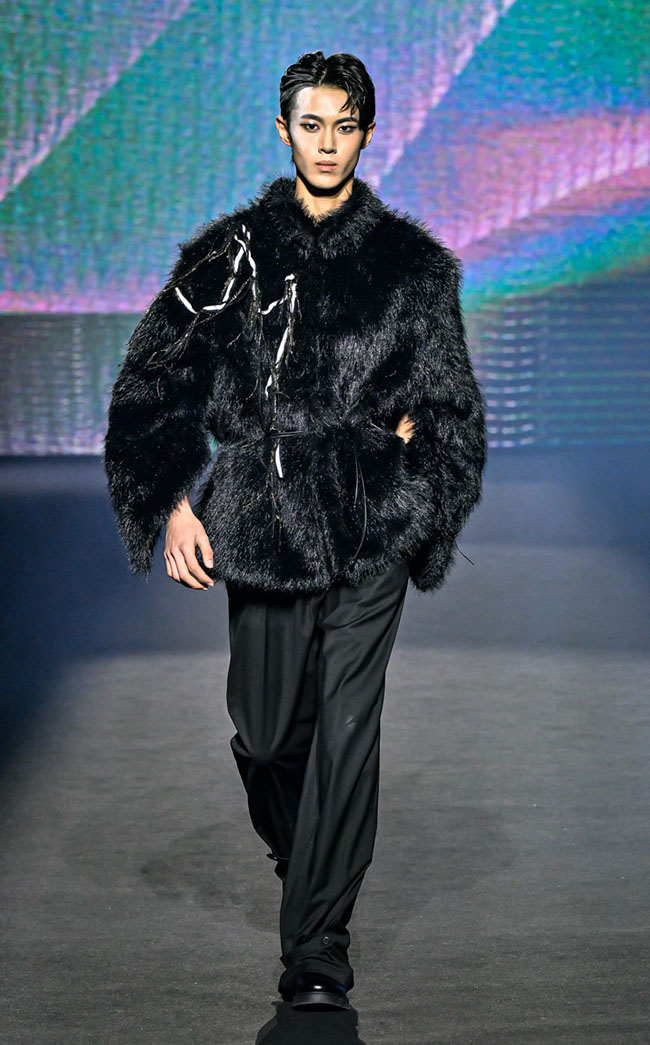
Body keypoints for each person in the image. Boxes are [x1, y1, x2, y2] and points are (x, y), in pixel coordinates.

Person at [103, 50, 487, 1011]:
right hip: (264, 521)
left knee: (348, 729)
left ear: (367, 132)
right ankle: (304, 851)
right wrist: (170, 501)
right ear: (284, 131)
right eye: (311, 125)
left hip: (371, 521)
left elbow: (451, 408)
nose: (327, 143)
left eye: (344, 126)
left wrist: (420, 497)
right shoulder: (229, 256)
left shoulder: (413, 268)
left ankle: (318, 947)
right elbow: (153, 380)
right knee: (270, 736)